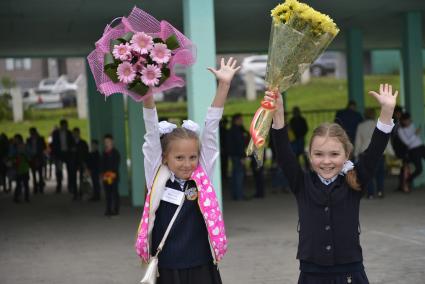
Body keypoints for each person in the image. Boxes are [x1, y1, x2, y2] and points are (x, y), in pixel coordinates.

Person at [270, 83, 397, 284]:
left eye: (334, 154)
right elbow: (283, 151)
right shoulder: (301, 183)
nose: (326, 161)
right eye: (319, 154)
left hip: (350, 273)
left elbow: (374, 150)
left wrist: (387, 112)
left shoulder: (356, 179)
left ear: (346, 154)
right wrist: (278, 115)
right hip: (311, 273)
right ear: (309, 156)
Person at [135, 58, 239, 284]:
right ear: (164, 157)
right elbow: (151, 132)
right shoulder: (156, 175)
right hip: (168, 266)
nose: (187, 163)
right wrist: (147, 93)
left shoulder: (201, 176)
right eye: (179, 157)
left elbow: (211, 130)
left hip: (202, 264)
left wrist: (223, 86)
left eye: (192, 157)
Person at [354, 108, 386, 198]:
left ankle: (370, 194)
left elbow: (358, 141)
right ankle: (380, 191)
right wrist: (390, 152)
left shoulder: (361, 126)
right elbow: (384, 139)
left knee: (368, 173)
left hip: (365, 152)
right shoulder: (379, 125)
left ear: (364, 115)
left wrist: (356, 153)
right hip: (379, 151)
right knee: (380, 173)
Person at [397, 112, 425, 192]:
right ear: (403, 121)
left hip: (421, 147)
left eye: (409, 120)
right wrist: (415, 134)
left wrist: (415, 134)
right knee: (419, 170)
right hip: (413, 150)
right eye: (407, 121)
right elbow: (407, 143)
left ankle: (407, 181)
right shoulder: (400, 130)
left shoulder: (412, 125)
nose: (409, 122)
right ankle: (407, 181)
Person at [227, 113, 249, 200]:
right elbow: (239, 144)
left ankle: (235, 194)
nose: (242, 121)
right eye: (241, 120)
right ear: (236, 120)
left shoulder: (232, 130)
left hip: (234, 155)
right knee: (239, 176)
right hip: (237, 155)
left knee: (235, 175)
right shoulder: (236, 131)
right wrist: (242, 156)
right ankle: (239, 195)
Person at [51, 120, 75, 193]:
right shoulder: (55, 133)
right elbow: (54, 144)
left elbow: (72, 142)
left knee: (70, 170)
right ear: (61, 125)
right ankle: (59, 186)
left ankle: (70, 186)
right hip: (59, 154)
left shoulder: (69, 133)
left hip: (68, 154)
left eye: (66, 126)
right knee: (59, 171)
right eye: (64, 125)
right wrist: (55, 154)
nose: (66, 127)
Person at [101, 134, 120, 216]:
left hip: (113, 176)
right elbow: (101, 164)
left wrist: (111, 173)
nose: (106, 143)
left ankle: (115, 210)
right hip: (105, 177)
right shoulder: (104, 153)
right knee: (107, 194)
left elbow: (115, 165)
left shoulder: (115, 153)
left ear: (112, 142)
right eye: (105, 142)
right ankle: (108, 209)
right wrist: (103, 174)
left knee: (114, 193)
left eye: (108, 142)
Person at [11, 134, 31, 203]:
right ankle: (17, 197)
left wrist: (24, 154)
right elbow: (11, 155)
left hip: (24, 166)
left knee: (25, 183)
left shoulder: (25, 146)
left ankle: (26, 197)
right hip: (18, 167)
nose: (14, 140)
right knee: (19, 183)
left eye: (15, 139)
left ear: (19, 139)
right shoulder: (13, 147)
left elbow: (29, 155)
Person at [26, 127, 46, 194]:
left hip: (39, 157)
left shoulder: (40, 138)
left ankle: (41, 188)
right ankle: (35, 188)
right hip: (32, 158)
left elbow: (44, 147)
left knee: (40, 174)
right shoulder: (28, 140)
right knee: (34, 174)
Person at [72, 127, 89, 200]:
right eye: (74, 133)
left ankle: (81, 192)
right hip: (73, 163)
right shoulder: (70, 143)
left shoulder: (83, 142)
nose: (75, 135)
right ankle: (75, 193)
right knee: (73, 178)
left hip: (81, 162)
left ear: (79, 133)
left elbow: (86, 153)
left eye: (77, 133)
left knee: (81, 178)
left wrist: (85, 163)